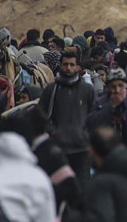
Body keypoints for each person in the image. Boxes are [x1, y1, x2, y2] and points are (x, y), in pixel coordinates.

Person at [41, 48, 98, 183]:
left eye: (72, 65)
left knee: (82, 189)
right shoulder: (51, 89)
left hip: (82, 149)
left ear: (78, 67)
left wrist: (88, 137)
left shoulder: (87, 90)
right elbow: (41, 116)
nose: (68, 68)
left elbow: (95, 117)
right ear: (60, 66)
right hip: (58, 149)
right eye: (65, 64)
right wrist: (52, 133)